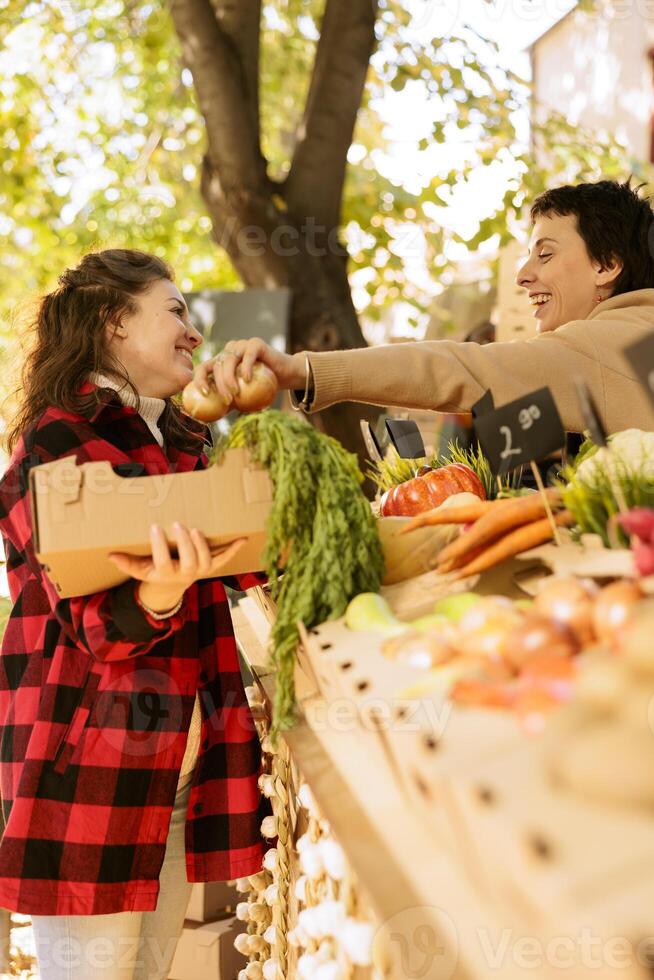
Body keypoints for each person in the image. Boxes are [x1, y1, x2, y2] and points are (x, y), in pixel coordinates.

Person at [0, 250, 266, 979]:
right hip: (88, 772)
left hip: (178, 769)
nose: (192, 331)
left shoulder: (178, 440)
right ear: (115, 321)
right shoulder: (54, 443)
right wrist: (157, 592)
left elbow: (249, 554)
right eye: (175, 310)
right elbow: (91, 628)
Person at [197, 179, 654, 435]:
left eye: (546, 254)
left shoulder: (597, 346)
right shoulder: (640, 333)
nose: (523, 275)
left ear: (607, 265)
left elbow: (456, 368)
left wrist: (300, 370)